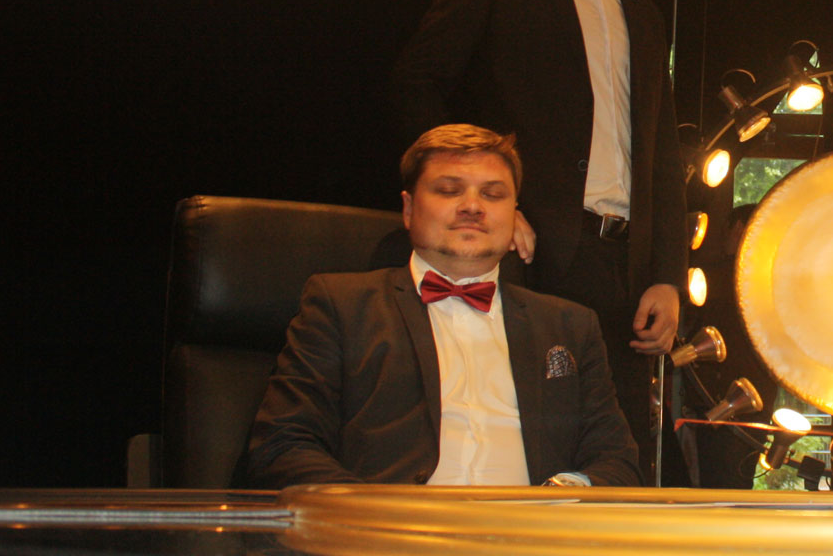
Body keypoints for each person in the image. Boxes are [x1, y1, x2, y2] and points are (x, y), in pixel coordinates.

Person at [391, 0, 685, 477]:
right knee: (523, 437)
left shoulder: (641, 10)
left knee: (614, 456)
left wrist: (668, 274)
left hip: (626, 267)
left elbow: (664, 154)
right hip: (532, 247)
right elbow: (417, 81)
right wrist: (489, 202)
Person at [246, 125, 640, 488]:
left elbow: (616, 461)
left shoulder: (571, 325)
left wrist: (560, 498)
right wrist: (372, 514)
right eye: (450, 190)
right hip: (389, 536)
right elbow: (283, 444)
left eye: (493, 194)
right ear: (408, 209)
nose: (473, 206)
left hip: (532, 535)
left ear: (514, 212)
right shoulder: (341, 306)